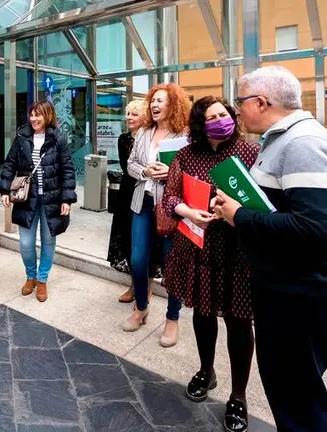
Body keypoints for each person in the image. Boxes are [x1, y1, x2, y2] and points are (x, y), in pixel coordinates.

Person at [214, 66, 327, 432]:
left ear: (262, 102)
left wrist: (240, 215)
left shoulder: (304, 145)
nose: (236, 111)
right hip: (285, 289)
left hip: (301, 294)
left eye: (239, 102)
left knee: (298, 398)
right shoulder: (281, 141)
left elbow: (317, 228)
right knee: (288, 388)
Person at [162, 96, 258, 432]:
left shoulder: (250, 153)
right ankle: (207, 370)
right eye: (212, 116)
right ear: (201, 123)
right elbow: (170, 196)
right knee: (202, 314)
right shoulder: (187, 155)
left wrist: (237, 212)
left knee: (238, 320)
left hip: (237, 251)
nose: (220, 119)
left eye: (224, 114)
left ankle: (239, 394)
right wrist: (188, 211)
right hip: (199, 247)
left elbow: (263, 200)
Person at [124, 83, 191, 348]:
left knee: (171, 266)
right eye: (152, 100)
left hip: (171, 207)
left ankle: (172, 318)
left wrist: (170, 173)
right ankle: (141, 307)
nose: (154, 105)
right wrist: (146, 172)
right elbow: (130, 164)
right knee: (137, 260)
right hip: (143, 202)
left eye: (160, 101)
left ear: (173, 104)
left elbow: (192, 171)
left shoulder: (184, 134)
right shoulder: (143, 132)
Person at [0, 101, 77, 302]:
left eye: (38, 115)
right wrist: (5, 189)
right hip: (26, 198)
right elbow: (10, 164)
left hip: (52, 198)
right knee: (25, 243)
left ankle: (42, 279)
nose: (33, 118)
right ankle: (30, 276)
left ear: (47, 115)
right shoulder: (22, 137)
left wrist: (67, 198)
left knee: (49, 241)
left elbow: (67, 169)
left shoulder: (58, 138)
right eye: (31, 114)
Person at [107, 99, 159, 303]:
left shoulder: (155, 138)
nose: (129, 117)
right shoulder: (123, 139)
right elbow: (127, 166)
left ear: (145, 116)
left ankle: (147, 288)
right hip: (128, 193)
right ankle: (134, 285)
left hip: (150, 193)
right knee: (129, 241)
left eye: (134, 114)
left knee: (150, 243)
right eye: (128, 114)